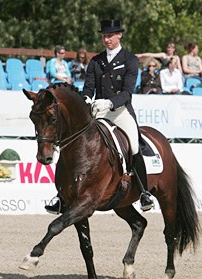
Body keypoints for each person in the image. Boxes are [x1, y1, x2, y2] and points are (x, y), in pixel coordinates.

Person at [45, 19, 154, 214]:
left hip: (119, 111)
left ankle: (144, 191)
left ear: (119, 35)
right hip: (97, 110)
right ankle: (61, 195)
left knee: (135, 145)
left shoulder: (130, 60)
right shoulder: (96, 61)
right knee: (72, 140)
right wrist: (86, 100)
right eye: (104, 36)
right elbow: (88, 88)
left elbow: (128, 92)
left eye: (110, 35)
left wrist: (110, 103)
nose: (107, 39)